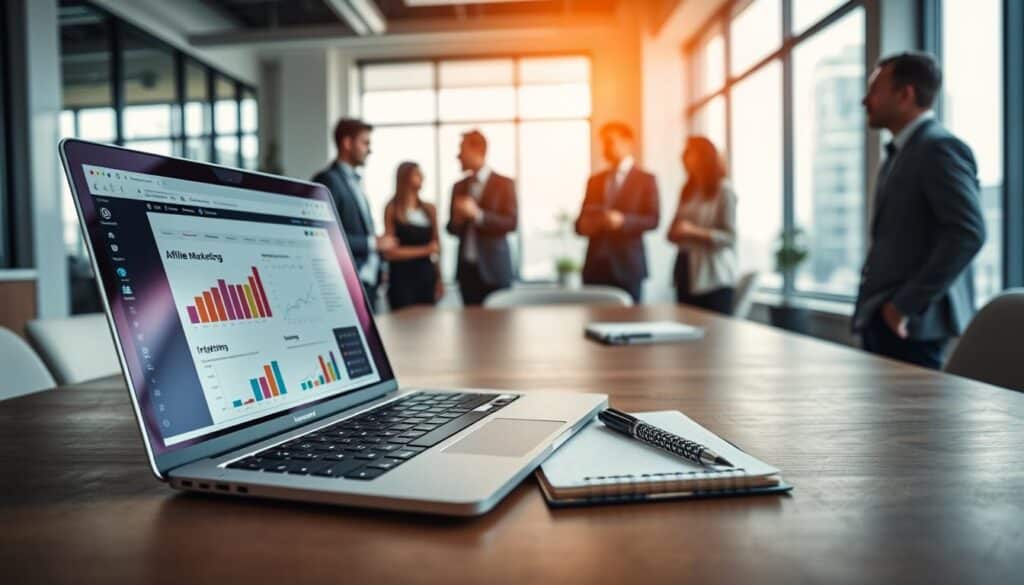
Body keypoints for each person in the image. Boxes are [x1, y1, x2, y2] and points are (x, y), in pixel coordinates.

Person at [853, 52, 985, 369]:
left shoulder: (938, 148)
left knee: (913, 418)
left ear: (905, 94)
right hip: (887, 319)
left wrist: (902, 307)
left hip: (912, 325)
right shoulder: (902, 152)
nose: (864, 100)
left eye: (874, 90)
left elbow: (968, 232)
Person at [312, 118, 396, 311]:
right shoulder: (328, 180)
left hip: (368, 283)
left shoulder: (355, 182)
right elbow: (323, 237)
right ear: (347, 143)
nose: (369, 150)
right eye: (365, 143)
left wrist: (380, 266)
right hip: (348, 281)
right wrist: (374, 243)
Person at [575, 122, 659, 303]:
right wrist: (585, 225)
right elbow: (579, 223)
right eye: (603, 143)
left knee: (630, 323)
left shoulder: (646, 180)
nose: (605, 148)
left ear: (628, 143)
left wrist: (623, 221)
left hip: (628, 267)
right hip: (595, 267)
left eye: (610, 142)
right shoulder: (595, 181)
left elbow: (653, 219)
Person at [446, 130, 517, 306]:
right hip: (467, 273)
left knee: (500, 329)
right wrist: (457, 220)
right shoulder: (458, 186)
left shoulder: (504, 184)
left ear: (477, 150)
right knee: (468, 329)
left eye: (462, 149)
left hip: (495, 270)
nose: (458, 155)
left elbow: (512, 222)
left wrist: (478, 216)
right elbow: (450, 228)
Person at [667, 136, 737, 315]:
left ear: (704, 156)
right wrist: (677, 232)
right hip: (685, 269)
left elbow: (730, 238)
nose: (684, 156)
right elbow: (671, 232)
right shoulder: (688, 190)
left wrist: (693, 231)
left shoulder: (724, 190)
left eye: (690, 152)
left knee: (715, 334)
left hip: (713, 275)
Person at [382, 162, 443, 311]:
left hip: (426, 277)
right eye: (416, 174)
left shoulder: (430, 209)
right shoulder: (392, 209)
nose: (422, 176)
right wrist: (425, 250)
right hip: (401, 280)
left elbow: (437, 247)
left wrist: (439, 279)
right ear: (405, 178)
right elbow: (390, 253)